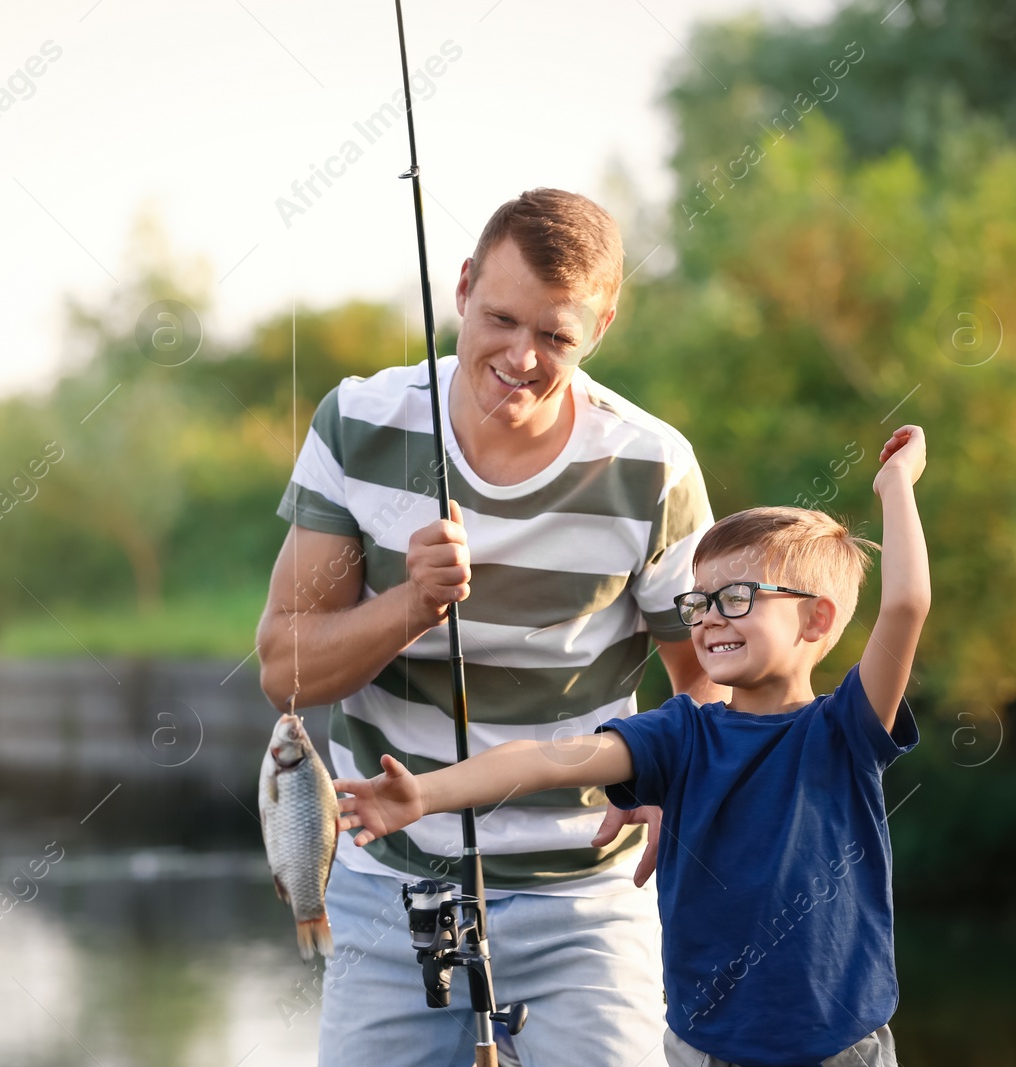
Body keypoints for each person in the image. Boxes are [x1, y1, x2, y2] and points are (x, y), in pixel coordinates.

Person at [256, 187, 728, 1066]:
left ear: (602, 327)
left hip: (583, 897)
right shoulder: (360, 424)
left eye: (556, 336)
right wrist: (410, 604)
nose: (522, 356)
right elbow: (283, 664)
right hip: (385, 885)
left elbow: (705, 677)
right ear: (465, 285)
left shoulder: (651, 464)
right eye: (502, 318)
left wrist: (681, 779)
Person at [333, 425, 929, 1067]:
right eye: (697, 602)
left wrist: (896, 486)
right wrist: (423, 793)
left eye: (736, 599)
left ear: (818, 618)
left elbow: (906, 601)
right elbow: (546, 761)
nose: (708, 619)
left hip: (839, 1049)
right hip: (704, 1049)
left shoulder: (845, 730)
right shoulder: (680, 734)